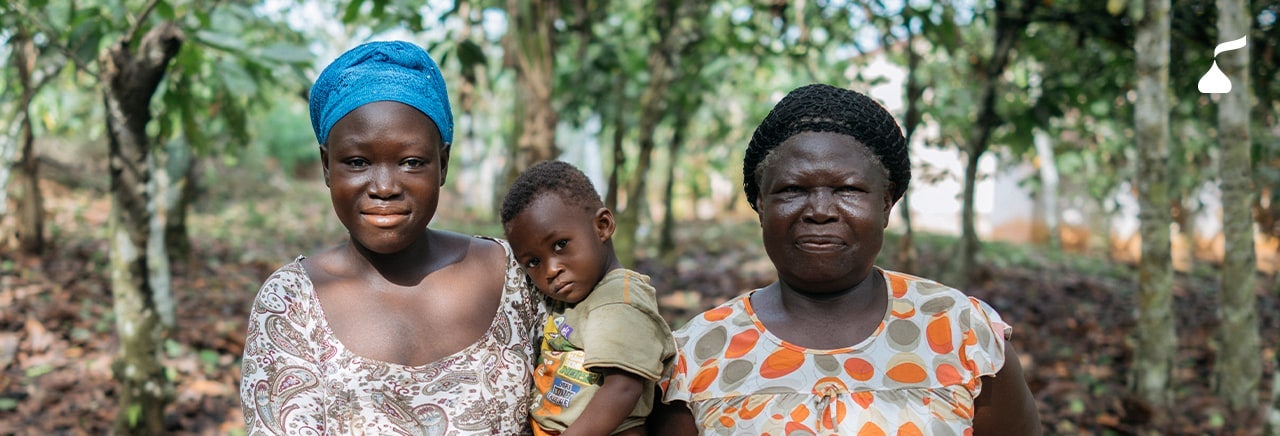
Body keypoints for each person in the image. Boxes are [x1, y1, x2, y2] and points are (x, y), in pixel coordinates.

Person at [648, 84, 1041, 435]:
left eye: (848, 189)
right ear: (760, 206)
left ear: (886, 205)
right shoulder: (698, 352)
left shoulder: (963, 333)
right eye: (791, 189)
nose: (820, 210)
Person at [239, 40, 545, 435]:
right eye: (357, 162)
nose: (384, 186)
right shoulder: (291, 303)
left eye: (411, 162)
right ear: (327, 166)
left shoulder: (514, 275)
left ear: (443, 164)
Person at [500, 160, 676, 436]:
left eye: (560, 244)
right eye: (533, 261)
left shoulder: (619, 300)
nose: (551, 269)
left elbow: (623, 388)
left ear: (602, 226)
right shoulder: (573, 297)